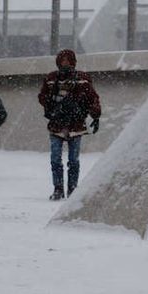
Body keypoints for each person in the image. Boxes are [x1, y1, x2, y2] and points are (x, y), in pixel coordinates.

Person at [38, 48, 100, 200]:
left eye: (68, 60)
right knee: (55, 159)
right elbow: (42, 96)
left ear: (73, 62)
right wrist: (53, 104)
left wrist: (95, 115)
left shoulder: (83, 79)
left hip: (75, 125)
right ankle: (58, 189)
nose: (65, 63)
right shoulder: (51, 78)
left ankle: (72, 189)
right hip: (57, 124)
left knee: (73, 160)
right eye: (62, 60)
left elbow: (93, 98)